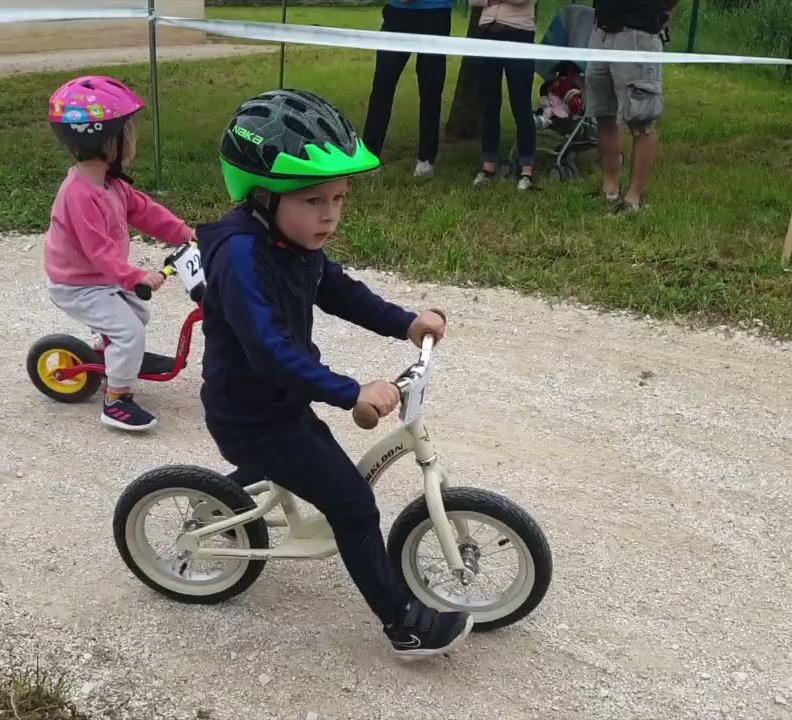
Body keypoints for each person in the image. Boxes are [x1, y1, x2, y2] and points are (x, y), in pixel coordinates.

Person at [195, 88, 475, 660]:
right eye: (314, 200)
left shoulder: (291, 240)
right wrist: (351, 391)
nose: (330, 215)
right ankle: (403, 624)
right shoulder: (243, 257)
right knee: (351, 503)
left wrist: (407, 323)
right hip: (252, 412)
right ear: (263, 197)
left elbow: (339, 291)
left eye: (340, 198)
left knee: (308, 463)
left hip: (277, 402)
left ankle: (231, 499)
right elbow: (270, 352)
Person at [42, 75, 196, 432]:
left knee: (138, 315)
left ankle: (111, 353)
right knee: (129, 331)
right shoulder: (80, 194)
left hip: (99, 279)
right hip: (78, 285)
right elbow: (97, 252)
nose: (133, 140)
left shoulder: (110, 183)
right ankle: (117, 400)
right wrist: (136, 276)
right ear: (103, 138)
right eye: (128, 132)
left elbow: (145, 211)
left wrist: (185, 233)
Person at [586, 0, 677, 212]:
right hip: (601, 31)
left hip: (638, 35)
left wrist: (661, 13)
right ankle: (610, 189)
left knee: (642, 120)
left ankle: (633, 198)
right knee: (604, 113)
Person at [361, 0, 455, 178]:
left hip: (435, 11)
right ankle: (369, 155)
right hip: (398, 11)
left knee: (431, 87)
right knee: (383, 83)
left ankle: (426, 159)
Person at [471, 0, 540, 191]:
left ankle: (527, 170)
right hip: (486, 31)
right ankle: (488, 166)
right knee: (489, 101)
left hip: (519, 32)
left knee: (521, 102)